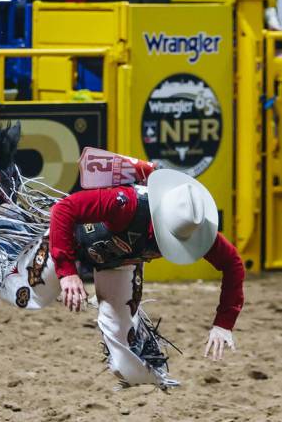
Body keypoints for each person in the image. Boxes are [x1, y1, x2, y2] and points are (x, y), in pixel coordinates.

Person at [50, 166, 244, 389]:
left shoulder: (193, 228)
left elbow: (233, 264)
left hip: (118, 265)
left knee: (125, 367)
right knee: (30, 287)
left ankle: (144, 347)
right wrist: (67, 272)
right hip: (69, 239)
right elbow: (64, 209)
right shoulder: (126, 204)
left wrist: (223, 324)